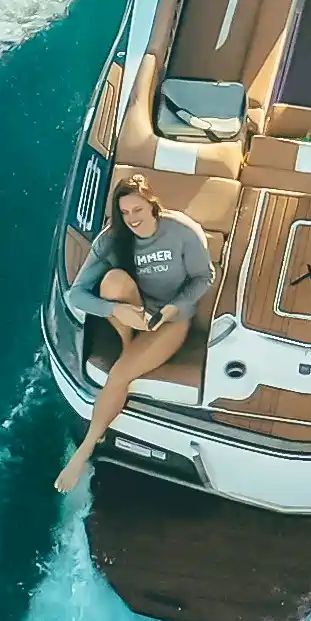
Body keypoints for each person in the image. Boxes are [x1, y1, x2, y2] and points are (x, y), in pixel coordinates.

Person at [55, 176, 215, 494]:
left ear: (153, 206)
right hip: (135, 312)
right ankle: (131, 344)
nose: (133, 219)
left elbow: (203, 276)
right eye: (125, 212)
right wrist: (114, 310)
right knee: (112, 279)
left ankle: (86, 447)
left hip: (171, 319)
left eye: (138, 209)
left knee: (119, 375)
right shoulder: (113, 239)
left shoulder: (182, 231)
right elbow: (77, 295)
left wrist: (175, 308)